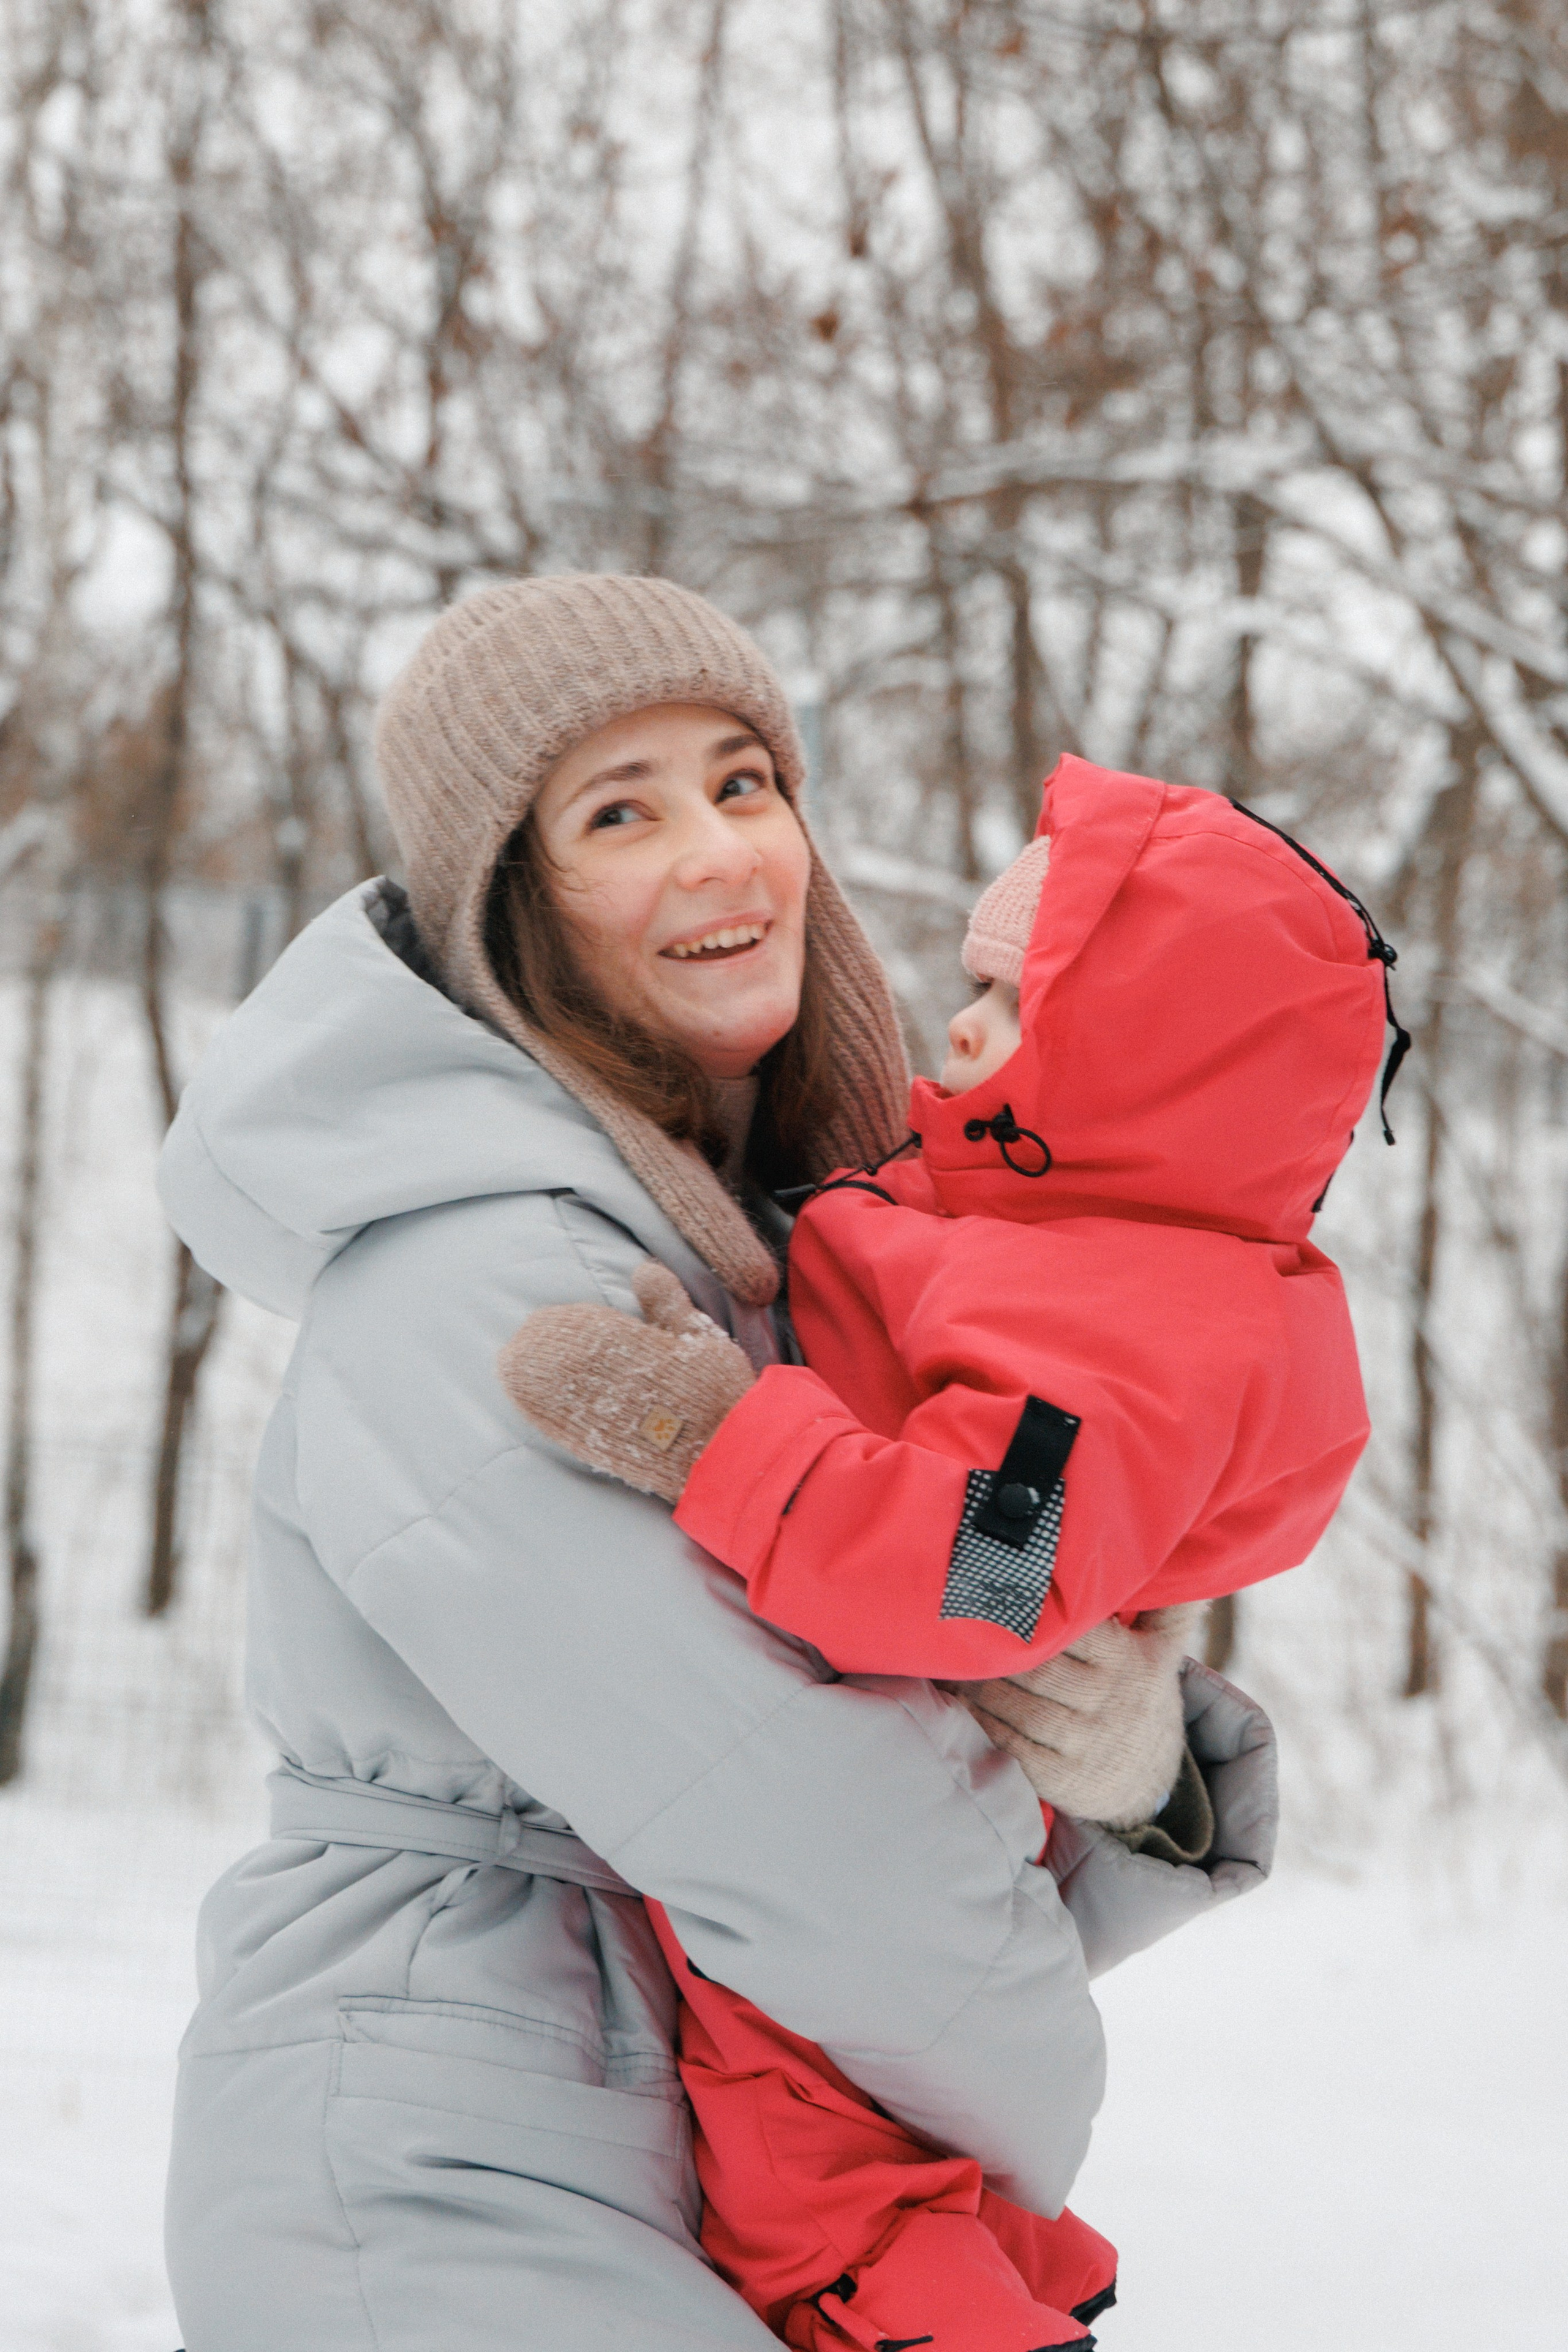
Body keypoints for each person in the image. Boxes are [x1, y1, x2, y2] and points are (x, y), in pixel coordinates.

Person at [157, 575, 1278, 2352]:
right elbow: (811, 1829)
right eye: (622, 812)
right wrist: (1035, 2072)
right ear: (511, 910)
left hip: (678, 2134)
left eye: (745, 782)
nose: (718, 853)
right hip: (460, 2146)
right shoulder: (482, 1280)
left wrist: (1126, 1763)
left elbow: (932, 1665)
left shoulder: (784, 1267)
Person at [506, 756, 1399, 2352]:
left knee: (817, 2190)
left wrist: (711, 1436)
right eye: (975, 989)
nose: (962, 1032)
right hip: (862, 1788)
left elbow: (976, 1579)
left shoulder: (1119, 1332)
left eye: (1018, 1006)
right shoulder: (1059, 1245)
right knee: (866, 2136)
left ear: (1154, 1075)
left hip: (888, 1781)